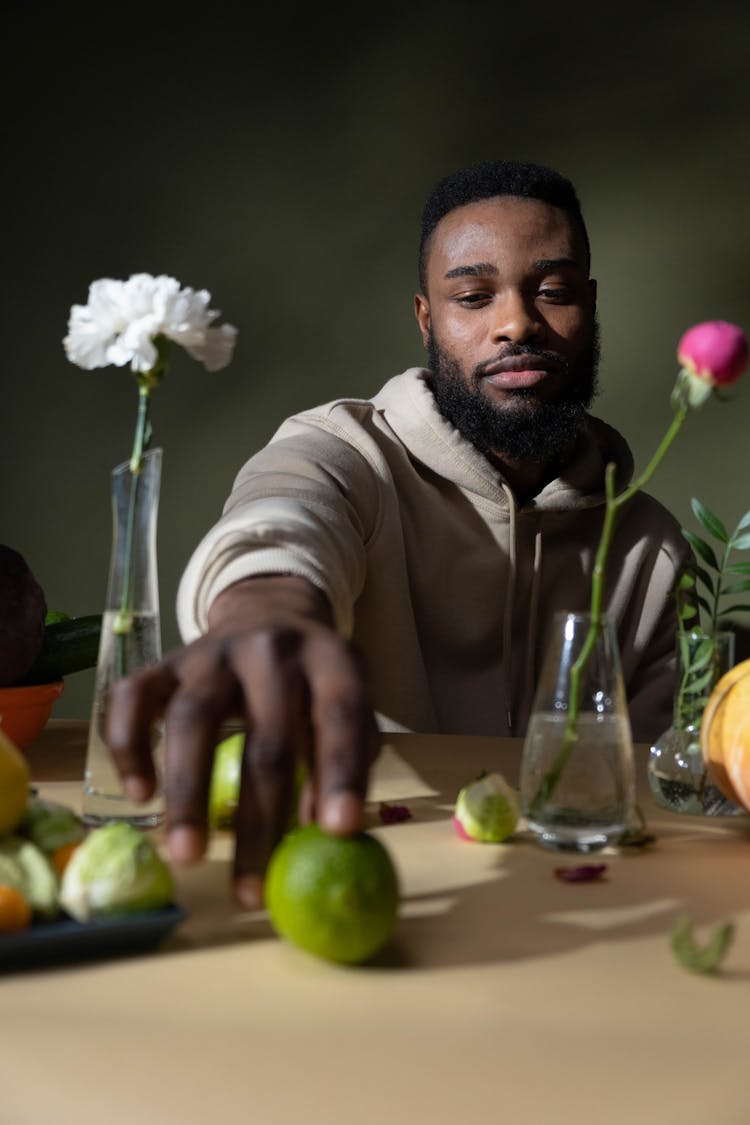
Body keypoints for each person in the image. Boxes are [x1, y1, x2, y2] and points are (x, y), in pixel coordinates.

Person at [107, 159, 690, 906]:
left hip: (585, 916)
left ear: (591, 306)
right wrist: (267, 605)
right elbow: (286, 506)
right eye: (473, 296)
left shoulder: (650, 550)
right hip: (374, 890)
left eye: (553, 291)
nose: (515, 322)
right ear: (426, 320)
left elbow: (650, 809)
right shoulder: (349, 454)